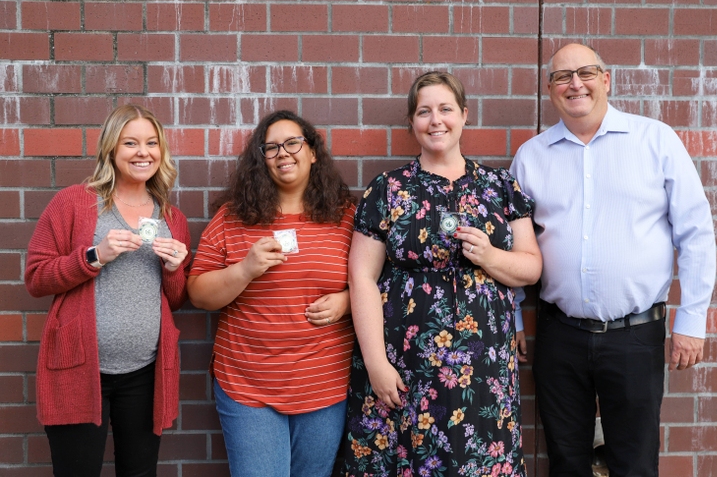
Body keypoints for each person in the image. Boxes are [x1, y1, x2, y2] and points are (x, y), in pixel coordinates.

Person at [509, 43, 716, 476]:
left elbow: (696, 233)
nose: (575, 83)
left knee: (634, 463)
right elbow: (513, 245)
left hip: (635, 335)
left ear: (606, 80)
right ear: (550, 90)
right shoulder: (532, 156)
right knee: (565, 460)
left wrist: (691, 321)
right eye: (563, 77)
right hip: (559, 333)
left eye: (586, 72)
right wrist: (513, 319)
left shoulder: (654, 140)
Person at [342, 71, 542, 477]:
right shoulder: (388, 189)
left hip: (483, 371)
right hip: (405, 364)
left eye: (446, 109)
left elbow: (531, 267)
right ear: (412, 123)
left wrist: (488, 255)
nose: (436, 120)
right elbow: (361, 277)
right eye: (424, 111)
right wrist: (376, 362)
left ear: (464, 116)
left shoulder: (499, 186)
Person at [187, 110, 357, 477]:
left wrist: (346, 302)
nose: (283, 153)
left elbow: (376, 284)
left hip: (323, 385)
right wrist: (244, 270)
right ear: (260, 160)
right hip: (249, 385)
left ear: (312, 152)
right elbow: (198, 293)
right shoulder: (233, 218)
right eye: (271, 148)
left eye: (293, 143)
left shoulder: (345, 217)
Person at [25, 104, 191, 476]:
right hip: (79, 368)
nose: (142, 152)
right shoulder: (74, 203)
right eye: (130, 143)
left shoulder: (171, 218)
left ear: (161, 151)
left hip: (146, 373)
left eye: (151, 143)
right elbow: (36, 277)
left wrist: (175, 268)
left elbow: (176, 299)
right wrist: (93, 256)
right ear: (111, 150)